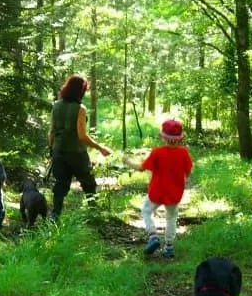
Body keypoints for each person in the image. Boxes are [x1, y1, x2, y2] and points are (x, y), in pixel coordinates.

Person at [123, 119, 193, 258]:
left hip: (157, 190)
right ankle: (169, 247)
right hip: (174, 192)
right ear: (180, 138)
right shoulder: (183, 153)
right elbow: (188, 171)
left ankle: (153, 236)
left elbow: (141, 168)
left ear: (163, 137)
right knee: (171, 217)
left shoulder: (157, 152)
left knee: (146, 210)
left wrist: (127, 161)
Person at [48, 75, 112, 220]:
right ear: (80, 91)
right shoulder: (80, 109)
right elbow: (82, 136)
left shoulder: (56, 106)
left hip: (58, 151)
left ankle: (55, 216)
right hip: (77, 154)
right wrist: (100, 147)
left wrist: (51, 150)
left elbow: (51, 131)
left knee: (60, 185)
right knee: (89, 184)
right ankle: (94, 215)